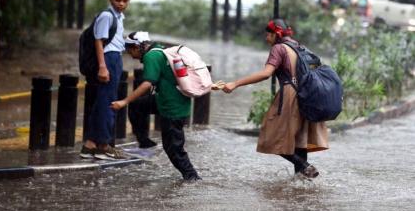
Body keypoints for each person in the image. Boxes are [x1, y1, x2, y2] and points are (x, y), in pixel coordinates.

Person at [222, 19, 329, 178]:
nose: (266, 38)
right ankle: (301, 182)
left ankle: (304, 165)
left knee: (270, 136)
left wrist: (235, 83)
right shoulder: (300, 47)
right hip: (309, 96)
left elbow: (266, 74)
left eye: (268, 35)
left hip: (290, 95)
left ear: (276, 34)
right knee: (299, 140)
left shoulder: (278, 48)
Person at [111, 32, 202, 181]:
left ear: (137, 47)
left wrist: (124, 101)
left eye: (130, 51)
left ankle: (192, 177)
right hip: (165, 101)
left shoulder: (151, 57)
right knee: (137, 106)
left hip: (172, 108)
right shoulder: (159, 49)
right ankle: (145, 142)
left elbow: (147, 83)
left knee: (173, 149)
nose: (131, 55)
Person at [79, 0, 130, 160]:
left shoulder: (119, 17)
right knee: (106, 103)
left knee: (104, 101)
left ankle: (91, 145)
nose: (121, 4)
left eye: (125, 1)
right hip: (108, 59)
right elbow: (98, 42)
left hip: (115, 58)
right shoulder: (106, 16)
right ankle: (102, 145)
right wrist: (102, 66)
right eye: (118, 0)